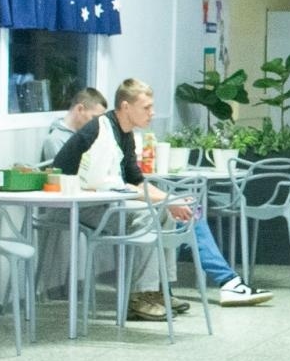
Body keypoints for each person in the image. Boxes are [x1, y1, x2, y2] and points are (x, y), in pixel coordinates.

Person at [51, 78, 271, 320]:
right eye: (146, 108)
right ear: (126, 107)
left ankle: (158, 290)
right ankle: (138, 297)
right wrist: (167, 200)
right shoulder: (101, 130)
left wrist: (170, 199)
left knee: (165, 210)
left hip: (106, 200)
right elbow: (107, 185)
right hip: (78, 204)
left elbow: (134, 181)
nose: (152, 113)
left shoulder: (125, 134)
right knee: (151, 214)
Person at [40, 87, 108, 161]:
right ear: (80, 109)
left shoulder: (89, 135)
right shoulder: (55, 140)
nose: (98, 123)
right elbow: (61, 171)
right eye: (94, 117)